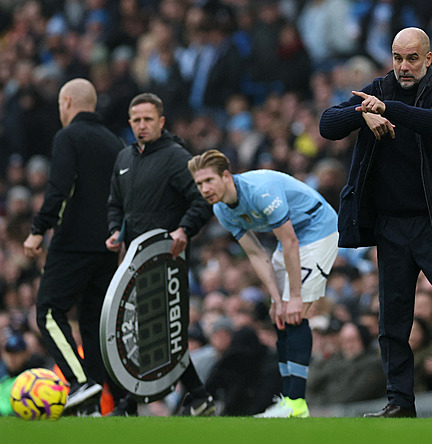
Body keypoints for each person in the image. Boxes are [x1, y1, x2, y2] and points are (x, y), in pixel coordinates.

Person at [319, 27, 432, 418]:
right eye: (398, 58)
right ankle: (400, 402)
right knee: (392, 319)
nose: (403, 66)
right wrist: (363, 114)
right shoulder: (377, 89)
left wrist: (385, 109)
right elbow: (327, 124)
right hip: (392, 226)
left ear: (428, 59)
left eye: (412, 58)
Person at [187, 149, 339, 418]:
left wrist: (293, 297)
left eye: (209, 181)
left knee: (296, 313)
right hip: (290, 241)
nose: (204, 188)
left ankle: (296, 403)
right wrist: (276, 300)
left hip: (316, 229)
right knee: (280, 316)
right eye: (199, 184)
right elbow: (256, 253)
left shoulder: (260, 191)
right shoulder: (221, 210)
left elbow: (290, 240)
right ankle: (289, 400)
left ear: (226, 176)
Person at [105, 92, 214, 416]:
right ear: (129, 123)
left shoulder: (176, 157)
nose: (142, 125)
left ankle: (133, 402)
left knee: (164, 329)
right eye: (136, 120)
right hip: (134, 259)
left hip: (168, 257)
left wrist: (183, 230)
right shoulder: (123, 159)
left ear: (161, 122)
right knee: (147, 330)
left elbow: (202, 200)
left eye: (148, 119)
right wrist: (115, 231)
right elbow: (115, 205)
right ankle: (195, 395)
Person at [22, 78, 123, 415]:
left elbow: (60, 187)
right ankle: (94, 405)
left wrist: (39, 229)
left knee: (49, 311)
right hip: (108, 246)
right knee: (93, 322)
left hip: (74, 243)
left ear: (66, 101)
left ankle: (80, 382)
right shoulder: (114, 142)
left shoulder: (68, 137)